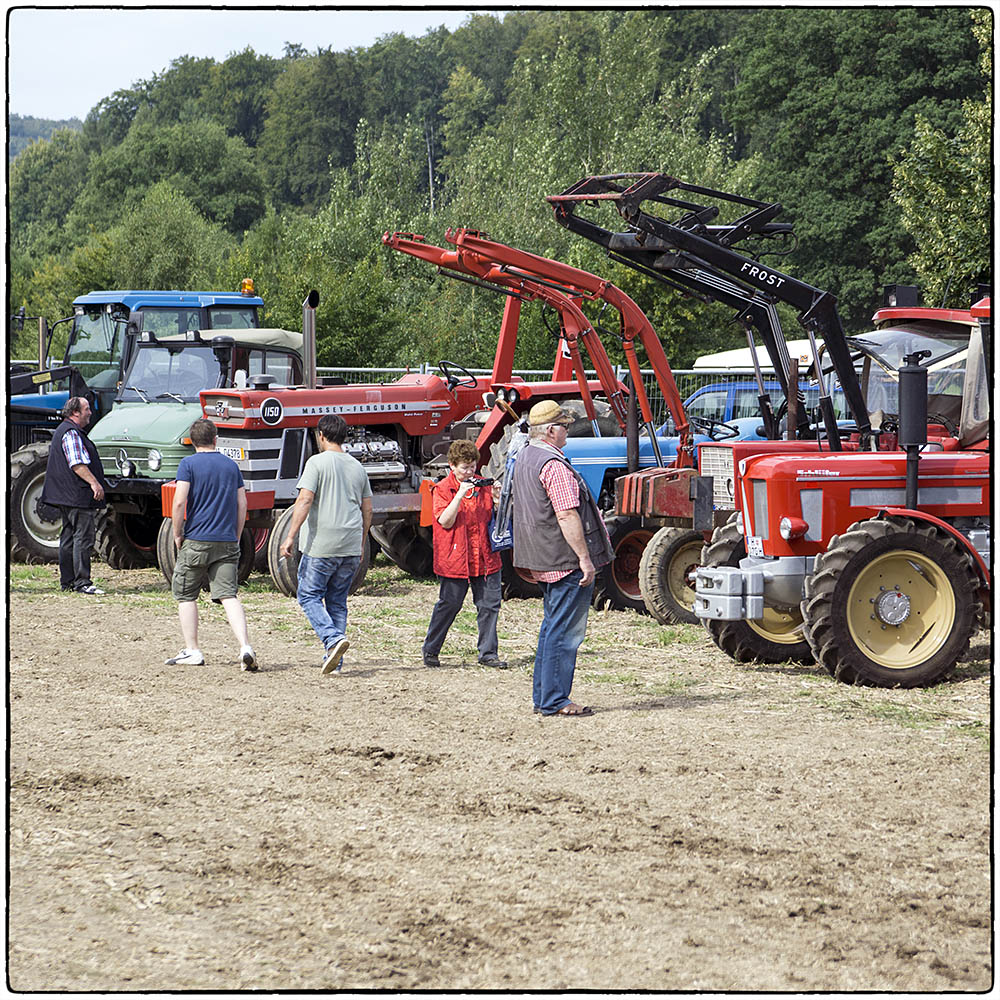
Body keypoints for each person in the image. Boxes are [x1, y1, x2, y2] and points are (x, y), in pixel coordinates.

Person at [511, 400, 614, 717]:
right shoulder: (553, 465)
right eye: (565, 425)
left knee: (551, 628)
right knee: (565, 633)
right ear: (552, 430)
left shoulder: (525, 456)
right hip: (563, 560)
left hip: (541, 557)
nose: (568, 430)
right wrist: (584, 559)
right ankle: (555, 700)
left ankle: (544, 698)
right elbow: (567, 515)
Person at [280, 413, 373, 674]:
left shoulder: (316, 463)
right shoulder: (357, 466)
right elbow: (367, 509)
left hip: (323, 544)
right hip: (351, 543)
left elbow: (305, 500)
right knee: (337, 600)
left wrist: (289, 536)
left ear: (321, 435)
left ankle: (332, 639)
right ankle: (335, 662)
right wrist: (362, 540)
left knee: (308, 595)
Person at [166, 418, 257, 671]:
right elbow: (242, 505)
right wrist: (236, 535)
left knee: (185, 595)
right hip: (227, 540)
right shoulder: (231, 466)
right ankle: (245, 646)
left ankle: (193, 649)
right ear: (216, 439)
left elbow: (179, 502)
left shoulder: (188, 464)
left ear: (192, 441)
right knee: (229, 595)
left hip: (197, 539)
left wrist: (177, 533)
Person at [422, 439, 506, 669]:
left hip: (485, 557)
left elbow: (497, 520)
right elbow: (445, 521)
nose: (470, 472)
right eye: (464, 467)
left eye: (473, 467)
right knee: (449, 604)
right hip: (455, 558)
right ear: (452, 466)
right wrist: (459, 495)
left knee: (489, 605)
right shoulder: (442, 489)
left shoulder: (483, 486)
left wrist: (497, 499)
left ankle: (488, 654)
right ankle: (431, 649)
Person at [41, 396, 109, 595]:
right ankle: (82, 582)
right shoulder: (71, 433)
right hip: (76, 496)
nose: (90, 412)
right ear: (75, 412)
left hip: (66, 496)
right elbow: (77, 463)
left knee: (69, 537)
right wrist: (94, 483)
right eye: (86, 409)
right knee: (83, 537)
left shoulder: (66, 430)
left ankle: (68, 582)